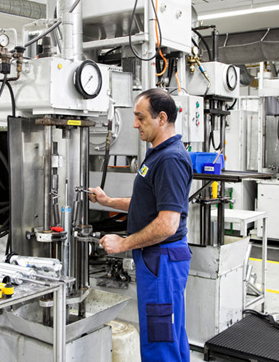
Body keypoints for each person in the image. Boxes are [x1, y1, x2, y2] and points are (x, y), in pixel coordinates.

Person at [89, 88, 193, 362]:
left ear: (162, 118)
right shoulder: (158, 154)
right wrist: (109, 201)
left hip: (163, 260)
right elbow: (148, 203)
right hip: (157, 259)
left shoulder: (170, 159)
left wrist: (123, 243)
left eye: (140, 117)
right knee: (169, 333)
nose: (135, 124)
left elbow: (167, 224)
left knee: (160, 338)